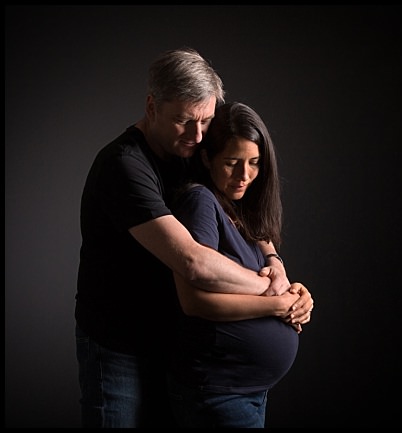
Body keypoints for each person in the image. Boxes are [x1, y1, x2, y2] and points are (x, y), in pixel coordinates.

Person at [76, 47, 313, 428]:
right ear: (152, 106)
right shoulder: (124, 167)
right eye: (184, 121)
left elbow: (246, 213)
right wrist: (274, 295)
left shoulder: (192, 150)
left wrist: (275, 262)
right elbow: (194, 262)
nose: (198, 134)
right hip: (119, 343)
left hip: (170, 341)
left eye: (205, 120)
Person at [166, 101, 306, 428]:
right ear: (206, 158)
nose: (245, 176)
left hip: (247, 390)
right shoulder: (199, 200)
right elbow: (194, 301)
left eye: (255, 163)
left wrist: (297, 297)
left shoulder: (238, 210)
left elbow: (259, 280)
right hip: (216, 392)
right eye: (232, 163)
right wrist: (276, 305)